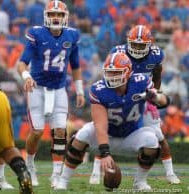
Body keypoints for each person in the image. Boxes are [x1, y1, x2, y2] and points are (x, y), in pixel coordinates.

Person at [55, 52, 170, 191]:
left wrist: (156, 97)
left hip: (131, 135)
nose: (112, 76)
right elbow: (100, 126)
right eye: (109, 73)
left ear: (128, 72)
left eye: (116, 73)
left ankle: (140, 182)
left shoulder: (140, 82)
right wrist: (104, 153)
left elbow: (165, 100)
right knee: (82, 134)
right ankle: (63, 180)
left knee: (152, 139)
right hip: (107, 135)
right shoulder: (99, 90)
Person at [89, 25, 180, 185]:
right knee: (106, 132)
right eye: (135, 44)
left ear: (149, 44)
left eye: (141, 45)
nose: (137, 49)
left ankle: (170, 173)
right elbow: (108, 78)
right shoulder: (118, 53)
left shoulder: (156, 55)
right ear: (128, 42)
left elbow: (157, 74)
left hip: (144, 97)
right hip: (122, 98)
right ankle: (96, 172)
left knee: (159, 137)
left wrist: (154, 94)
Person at [17, 0, 85, 187]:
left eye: (60, 15)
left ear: (65, 17)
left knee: (60, 132)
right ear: (46, 16)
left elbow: (76, 66)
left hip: (59, 89)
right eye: (53, 14)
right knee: (37, 132)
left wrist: (79, 90)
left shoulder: (72, 35)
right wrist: (26, 76)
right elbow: (21, 63)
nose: (56, 17)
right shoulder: (36, 33)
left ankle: (56, 174)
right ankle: (30, 165)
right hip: (37, 88)